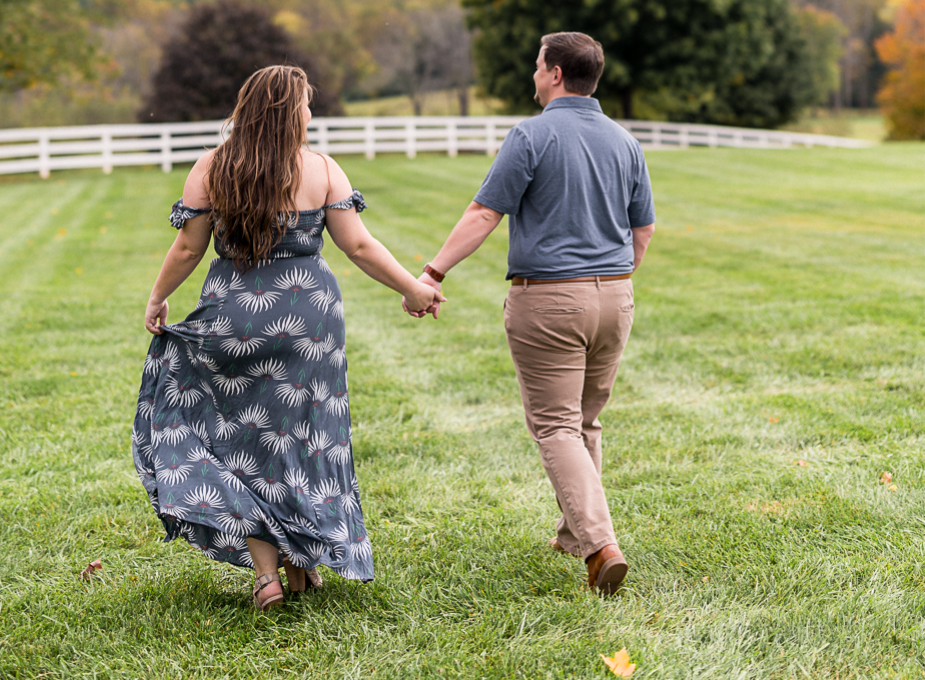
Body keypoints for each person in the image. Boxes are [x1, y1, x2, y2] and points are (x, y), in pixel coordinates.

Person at [133, 64, 443, 611]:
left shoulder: (211, 168)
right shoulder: (321, 169)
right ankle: (304, 560)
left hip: (233, 319)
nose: (309, 111)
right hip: (309, 323)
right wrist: (414, 289)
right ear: (289, 112)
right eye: (305, 103)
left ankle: (269, 576)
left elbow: (187, 249)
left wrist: (158, 298)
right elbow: (361, 247)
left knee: (238, 444)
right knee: (305, 437)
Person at [409, 31, 655, 594]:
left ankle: (600, 546)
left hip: (549, 299)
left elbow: (483, 214)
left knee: (555, 426)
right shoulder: (624, 141)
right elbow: (643, 226)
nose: (533, 75)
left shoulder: (531, 135)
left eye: (538, 66)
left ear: (556, 75)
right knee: (585, 421)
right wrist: (617, 279)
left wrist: (434, 271)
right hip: (615, 297)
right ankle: (575, 535)